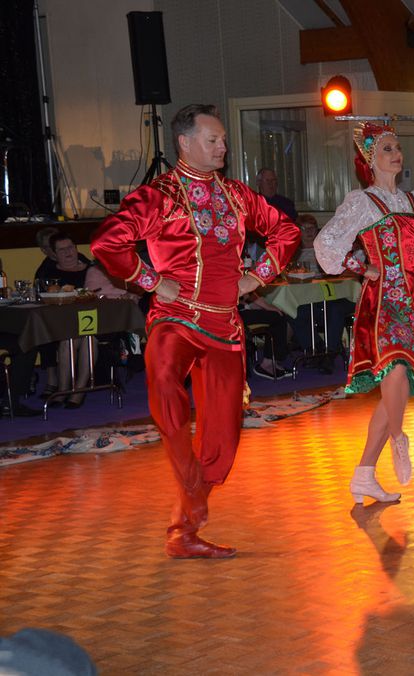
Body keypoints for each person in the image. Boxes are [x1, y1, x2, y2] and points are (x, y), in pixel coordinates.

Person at [91, 104, 301, 559]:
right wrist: (151, 280)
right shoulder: (159, 195)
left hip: (225, 323)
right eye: (213, 140)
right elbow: (108, 241)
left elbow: (286, 230)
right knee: (164, 387)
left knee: (222, 440)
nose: (223, 147)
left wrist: (257, 275)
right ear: (184, 143)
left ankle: (184, 525)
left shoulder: (238, 196)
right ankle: (186, 494)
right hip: (176, 316)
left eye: (223, 140)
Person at [315, 122, 414, 504]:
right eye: (387, 149)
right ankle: (399, 439)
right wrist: (360, 266)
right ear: (370, 159)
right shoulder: (362, 203)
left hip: (412, 301)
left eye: (397, 148)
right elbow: (326, 243)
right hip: (381, 300)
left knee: (392, 392)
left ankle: (365, 473)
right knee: (395, 370)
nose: (396, 153)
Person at [38, 233, 94, 408]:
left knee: (86, 337)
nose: (68, 252)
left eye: (71, 247)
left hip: (92, 319)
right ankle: (66, 390)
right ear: (54, 254)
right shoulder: (49, 273)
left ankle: (77, 390)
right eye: (62, 250)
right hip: (61, 323)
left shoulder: (90, 269)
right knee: (71, 339)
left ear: (76, 248)